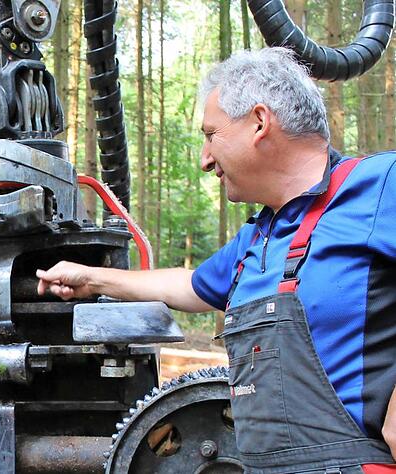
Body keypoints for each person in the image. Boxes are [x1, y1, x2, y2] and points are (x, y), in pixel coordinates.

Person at [37, 47, 396, 473]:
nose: (206, 159)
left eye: (211, 135)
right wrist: (93, 279)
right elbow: (187, 286)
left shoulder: (380, 186)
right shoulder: (255, 240)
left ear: (259, 123)